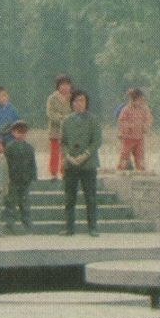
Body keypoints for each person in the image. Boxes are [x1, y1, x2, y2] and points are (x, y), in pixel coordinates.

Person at [60, 89, 100, 236]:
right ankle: (69, 228)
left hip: (88, 164)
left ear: (86, 103)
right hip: (71, 164)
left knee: (90, 197)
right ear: (72, 103)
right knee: (70, 198)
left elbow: (97, 141)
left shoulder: (93, 120)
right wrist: (68, 156)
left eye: (82, 100)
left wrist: (85, 155)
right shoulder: (66, 121)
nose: (79, 104)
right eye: (76, 101)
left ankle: (93, 227)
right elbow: (63, 142)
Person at [4, 121, 38, 233]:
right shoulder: (9, 147)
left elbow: (33, 163)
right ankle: (10, 223)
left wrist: (34, 176)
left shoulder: (29, 148)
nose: (21, 134)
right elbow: (6, 164)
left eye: (24, 132)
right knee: (11, 202)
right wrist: (6, 178)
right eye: (19, 132)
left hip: (25, 180)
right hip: (13, 180)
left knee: (25, 203)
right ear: (13, 133)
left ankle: (27, 223)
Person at [116, 87, 153, 172]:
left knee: (140, 156)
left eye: (142, 100)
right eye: (139, 100)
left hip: (139, 138)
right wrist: (130, 126)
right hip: (128, 138)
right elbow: (121, 121)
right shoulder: (126, 109)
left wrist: (146, 126)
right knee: (124, 155)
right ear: (133, 100)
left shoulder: (144, 109)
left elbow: (149, 119)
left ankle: (141, 171)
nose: (141, 102)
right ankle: (121, 171)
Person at [45, 75, 74, 180]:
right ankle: (53, 173)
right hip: (55, 131)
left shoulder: (73, 97)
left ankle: (65, 172)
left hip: (69, 131)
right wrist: (62, 119)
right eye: (62, 85)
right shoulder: (52, 98)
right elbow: (50, 113)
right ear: (58, 86)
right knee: (55, 153)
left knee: (66, 153)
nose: (65, 87)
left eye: (67, 84)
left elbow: (75, 111)